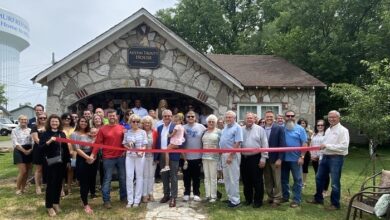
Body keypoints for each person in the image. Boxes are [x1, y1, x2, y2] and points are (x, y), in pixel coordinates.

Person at [307, 110, 349, 210]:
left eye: (334, 117)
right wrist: (320, 154)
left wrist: (327, 146)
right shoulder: (328, 130)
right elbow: (323, 145)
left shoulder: (343, 130)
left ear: (339, 118)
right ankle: (318, 198)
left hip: (336, 158)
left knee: (335, 182)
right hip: (325, 157)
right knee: (319, 178)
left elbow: (344, 146)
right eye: (330, 117)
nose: (331, 119)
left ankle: (335, 204)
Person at [91, 110, 127, 209]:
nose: (112, 117)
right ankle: (106, 200)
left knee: (123, 178)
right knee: (107, 179)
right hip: (108, 158)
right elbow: (97, 143)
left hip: (120, 157)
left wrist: (125, 150)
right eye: (110, 115)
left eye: (113, 115)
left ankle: (123, 197)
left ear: (117, 117)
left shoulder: (122, 128)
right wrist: (93, 154)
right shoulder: (102, 129)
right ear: (107, 117)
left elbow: (126, 142)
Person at [40, 114, 70, 217]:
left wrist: (68, 161)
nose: (55, 123)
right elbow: (41, 148)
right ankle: (49, 206)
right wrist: (50, 141)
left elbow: (65, 149)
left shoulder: (62, 134)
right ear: (49, 122)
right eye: (53, 121)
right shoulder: (45, 134)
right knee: (51, 185)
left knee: (58, 184)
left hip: (61, 163)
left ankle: (56, 203)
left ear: (59, 123)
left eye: (56, 121)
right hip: (50, 162)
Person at [241, 112, 269, 208]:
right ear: (245, 119)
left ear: (254, 119)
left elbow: (265, 144)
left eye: (251, 118)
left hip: (256, 158)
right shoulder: (241, 129)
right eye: (247, 118)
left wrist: (263, 158)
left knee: (257, 181)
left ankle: (258, 201)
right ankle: (248, 199)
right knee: (246, 180)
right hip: (244, 159)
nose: (249, 120)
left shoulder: (260, 129)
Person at [281, 110, 307, 208]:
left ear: (295, 117)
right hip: (283, 159)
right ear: (285, 117)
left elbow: (305, 144)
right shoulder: (281, 128)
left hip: (296, 160)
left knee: (297, 180)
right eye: (288, 116)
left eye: (292, 115)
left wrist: (302, 156)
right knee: (284, 180)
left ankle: (296, 199)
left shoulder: (300, 129)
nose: (290, 117)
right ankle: (285, 196)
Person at [70, 116, 96, 214]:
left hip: (92, 158)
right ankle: (85, 204)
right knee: (84, 182)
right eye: (82, 121)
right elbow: (77, 148)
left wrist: (93, 156)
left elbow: (96, 145)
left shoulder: (90, 134)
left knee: (90, 180)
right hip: (82, 159)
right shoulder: (74, 134)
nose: (84, 123)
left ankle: (84, 198)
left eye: (85, 121)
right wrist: (87, 158)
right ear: (78, 122)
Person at [155, 109, 179, 207]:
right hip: (162, 155)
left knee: (173, 176)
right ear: (162, 117)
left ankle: (173, 197)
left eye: (169, 116)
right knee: (164, 176)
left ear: (172, 116)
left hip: (173, 155)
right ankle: (166, 195)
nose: (167, 118)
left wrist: (174, 146)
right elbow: (158, 142)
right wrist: (156, 156)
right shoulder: (159, 127)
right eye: (165, 116)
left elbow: (181, 141)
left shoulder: (176, 127)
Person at [123, 114, 147, 208]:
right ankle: (130, 200)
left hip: (140, 157)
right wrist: (129, 145)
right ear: (130, 122)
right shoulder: (127, 132)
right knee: (129, 177)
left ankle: (137, 200)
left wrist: (141, 151)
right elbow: (124, 144)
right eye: (133, 121)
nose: (135, 123)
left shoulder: (143, 132)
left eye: (137, 121)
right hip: (129, 156)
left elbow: (145, 145)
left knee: (139, 177)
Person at [220, 110, 243, 208]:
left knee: (233, 178)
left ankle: (236, 201)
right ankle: (230, 198)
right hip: (224, 154)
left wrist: (230, 156)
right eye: (227, 117)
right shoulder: (225, 127)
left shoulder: (237, 127)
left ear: (234, 118)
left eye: (230, 117)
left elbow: (237, 143)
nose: (228, 119)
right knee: (227, 178)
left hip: (232, 155)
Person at [263, 110, 286, 207]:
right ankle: (270, 196)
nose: (269, 118)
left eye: (271, 117)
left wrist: (280, 158)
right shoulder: (261, 128)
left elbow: (282, 144)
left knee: (277, 180)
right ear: (264, 118)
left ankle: (277, 198)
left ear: (274, 118)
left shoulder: (279, 128)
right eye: (267, 116)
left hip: (275, 158)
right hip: (265, 158)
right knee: (267, 179)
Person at [182, 111, 206, 202]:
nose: (190, 118)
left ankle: (196, 193)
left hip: (198, 156)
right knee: (186, 176)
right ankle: (186, 193)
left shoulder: (201, 127)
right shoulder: (182, 127)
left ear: (195, 117)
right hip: (185, 157)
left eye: (192, 116)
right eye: (188, 116)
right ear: (186, 118)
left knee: (196, 176)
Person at [201, 114, 221, 203]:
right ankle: (207, 195)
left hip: (214, 157)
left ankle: (213, 196)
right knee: (206, 177)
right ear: (207, 122)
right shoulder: (204, 132)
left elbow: (221, 144)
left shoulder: (219, 132)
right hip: (205, 157)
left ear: (215, 123)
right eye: (209, 121)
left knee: (213, 177)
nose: (211, 123)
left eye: (213, 121)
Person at [12, 115, 33, 195]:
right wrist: (24, 151)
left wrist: (30, 150)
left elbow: (33, 141)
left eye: (25, 120)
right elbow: (15, 143)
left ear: (27, 121)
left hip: (29, 150)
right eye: (22, 119)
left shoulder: (30, 130)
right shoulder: (14, 130)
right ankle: (18, 189)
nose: (24, 121)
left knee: (27, 172)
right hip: (19, 150)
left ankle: (23, 189)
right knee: (22, 171)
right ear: (19, 120)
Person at [310, 119, 330, 196]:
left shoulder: (326, 134)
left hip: (323, 157)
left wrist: (321, 156)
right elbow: (311, 145)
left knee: (325, 174)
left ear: (324, 126)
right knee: (317, 175)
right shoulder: (314, 134)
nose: (320, 126)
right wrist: (312, 155)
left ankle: (325, 191)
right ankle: (319, 190)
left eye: (322, 125)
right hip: (315, 157)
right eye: (318, 125)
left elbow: (327, 146)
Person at [141, 116, 158, 203]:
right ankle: (144, 195)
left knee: (151, 176)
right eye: (145, 122)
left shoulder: (154, 132)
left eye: (149, 122)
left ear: (151, 124)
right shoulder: (140, 132)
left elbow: (157, 146)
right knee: (144, 176)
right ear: (142, 124)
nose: (147, 124)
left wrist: (157, 157)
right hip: (142, 157)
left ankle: (150, 193)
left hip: (152, 157)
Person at [61, 113, 75, 195]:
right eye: (65, 118)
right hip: (62, 151)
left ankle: (69, 187)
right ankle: (61, 188)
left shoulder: (74, 128)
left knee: (71, 169)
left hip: (73, 151)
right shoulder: (59, 128)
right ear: (62, 119)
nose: (67, 120)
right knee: (61, 169)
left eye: (69, 118)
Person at [297, 118, 314, 188]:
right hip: (298, 151)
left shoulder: (309, 132)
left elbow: (312, 141)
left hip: (306, 152)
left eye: (304, 123)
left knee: (305, 167)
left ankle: (304, 182)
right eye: (301, 123)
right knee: (297, 167)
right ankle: (298, 181)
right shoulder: (296, 131)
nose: (302, 124)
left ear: (306, 124)